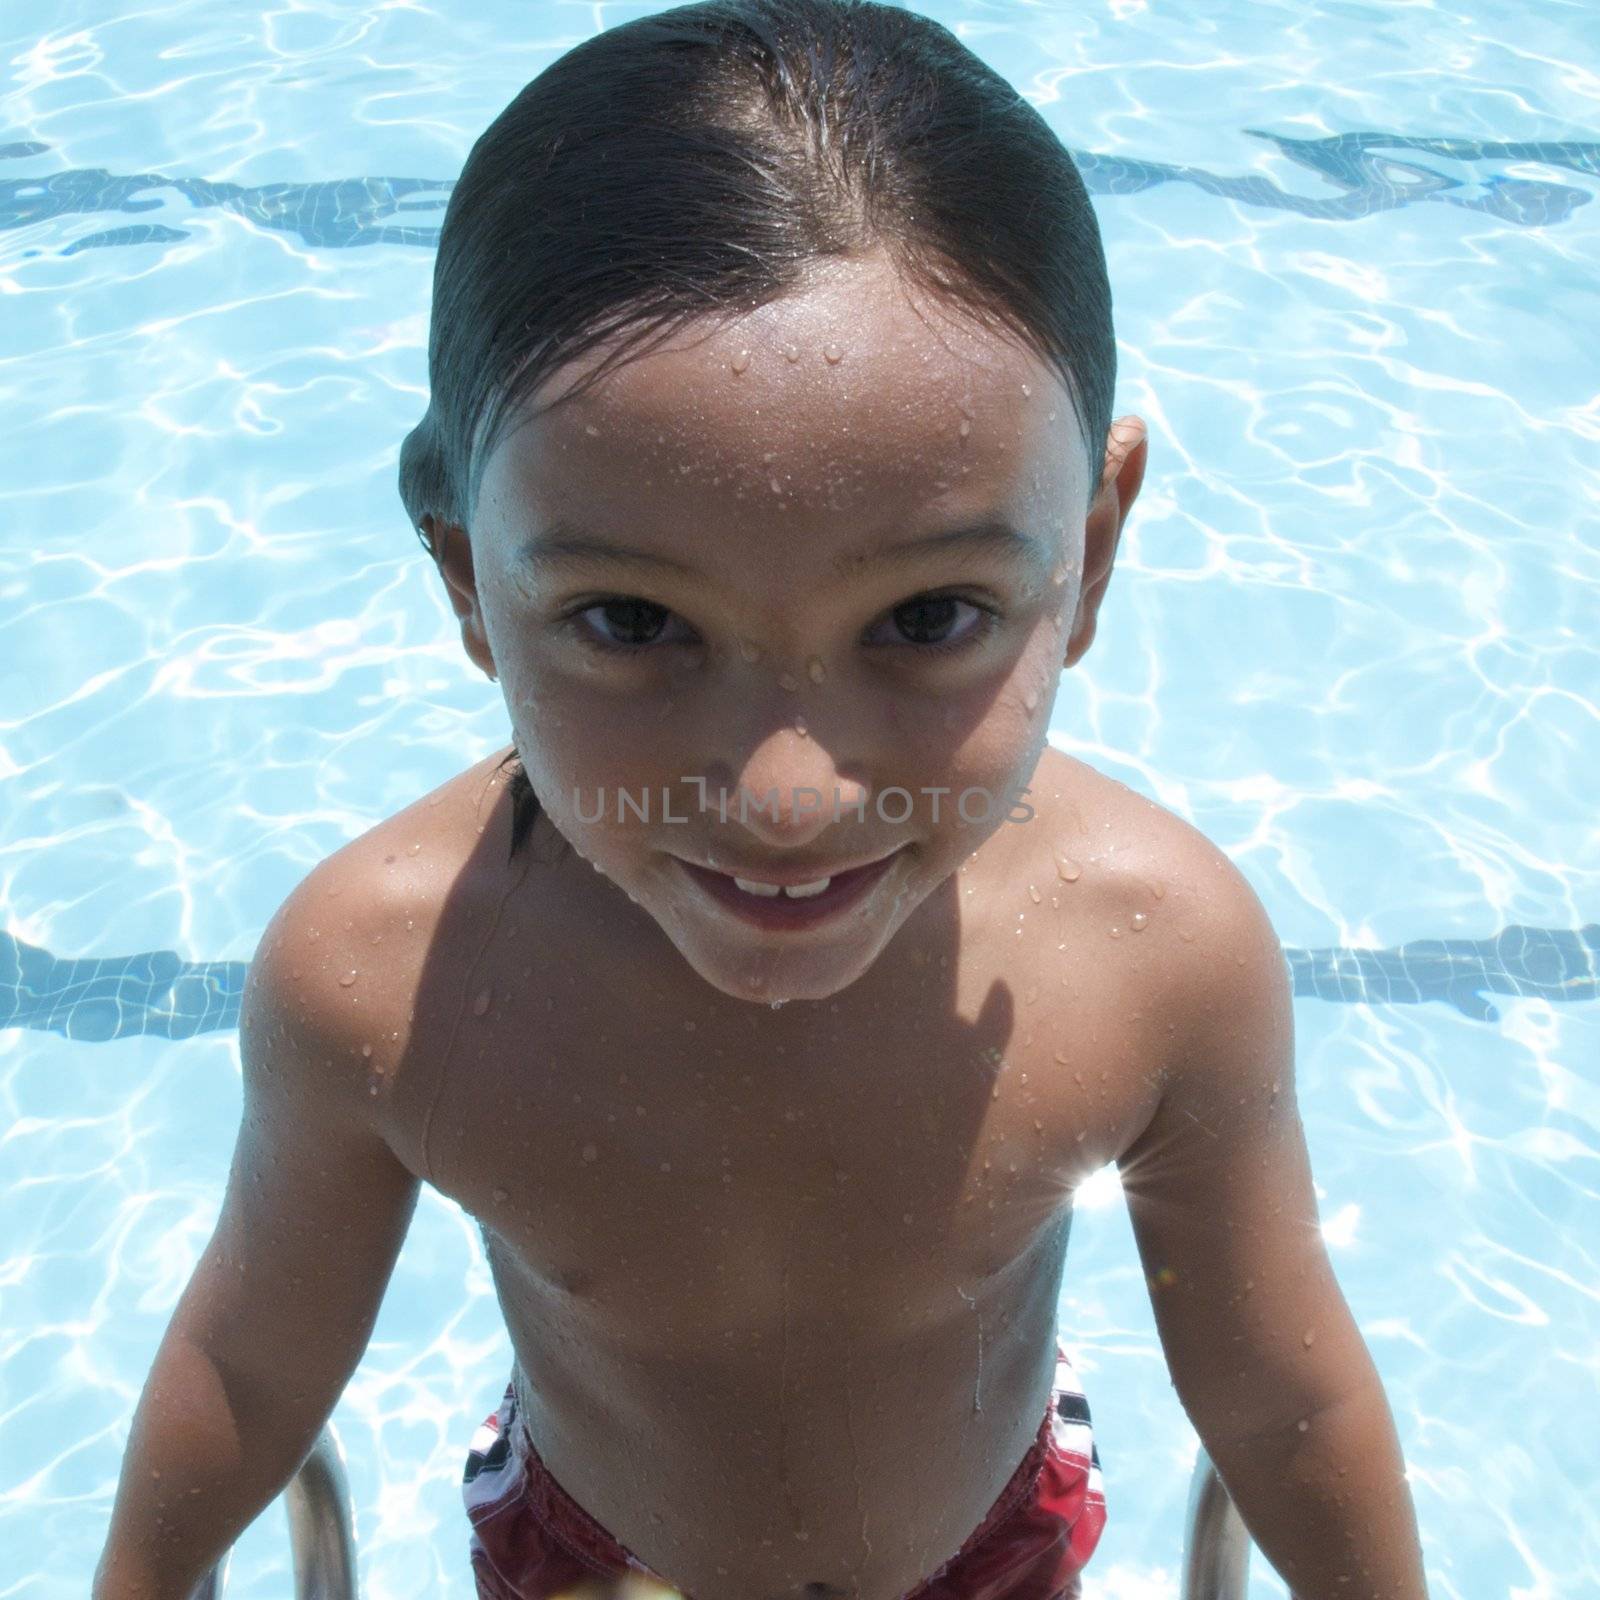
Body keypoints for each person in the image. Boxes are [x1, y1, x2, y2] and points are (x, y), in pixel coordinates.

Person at [92, 1, 1430, 1597]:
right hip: (589, 1557)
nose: (789, 797)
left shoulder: (1155, 958)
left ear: (1092, 552)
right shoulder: (386, 983)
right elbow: (249, 1364)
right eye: (635, 625)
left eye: (928, 621)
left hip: (988, 1544)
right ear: (466, 578)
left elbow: (1284, 1395)